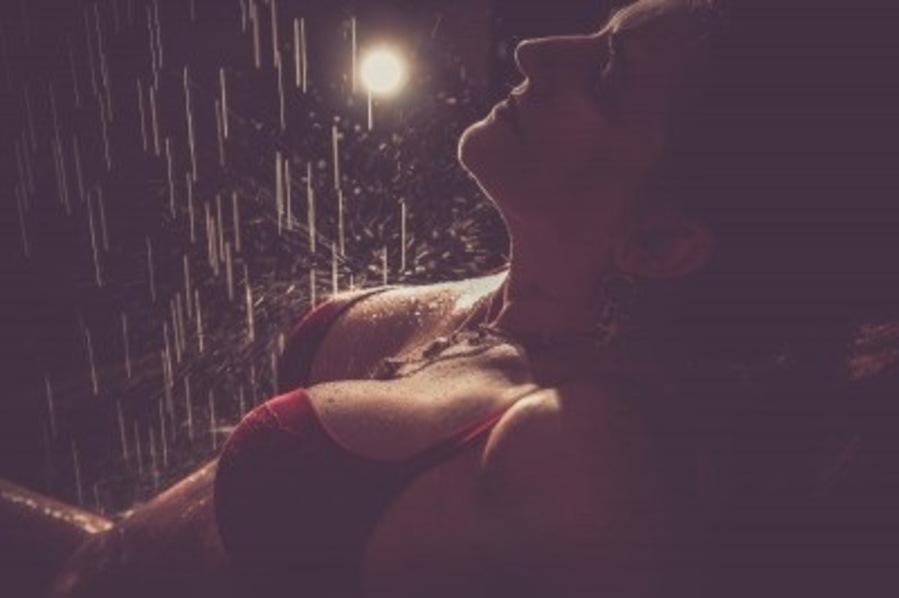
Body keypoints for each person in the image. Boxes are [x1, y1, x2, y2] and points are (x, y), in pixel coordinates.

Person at [3, 0, 897, 596]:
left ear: (661, 243)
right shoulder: (505, 299)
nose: (538, 51)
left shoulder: (588, 457)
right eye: (597, 32)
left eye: (606, 76)